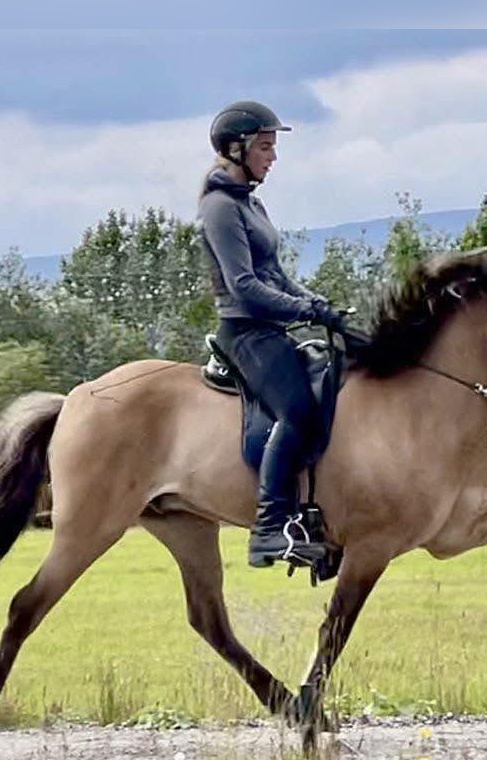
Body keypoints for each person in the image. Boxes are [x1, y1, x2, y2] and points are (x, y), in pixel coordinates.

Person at [198, 100, 347, 568]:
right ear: (236, 148)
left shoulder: (251, 203)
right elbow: (245, 287)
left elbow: (276, 276)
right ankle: (269, 528)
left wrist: (320, 305)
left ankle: (316, 516)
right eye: (265, 147)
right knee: (298, 409)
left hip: (269, 327)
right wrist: (304, 309)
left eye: (273, 147)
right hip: (246, 332)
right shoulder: (220, 208)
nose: (273, 157)